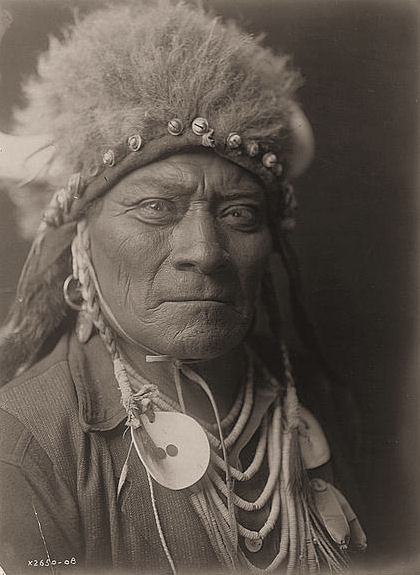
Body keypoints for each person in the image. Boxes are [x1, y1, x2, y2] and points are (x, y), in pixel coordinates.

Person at [0, 1, 366, 573]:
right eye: (155, 208)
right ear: (80, 241)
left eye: (240, 214)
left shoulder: (323, 404)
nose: (205, 252)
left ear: (271, 240)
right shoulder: (21, 442)